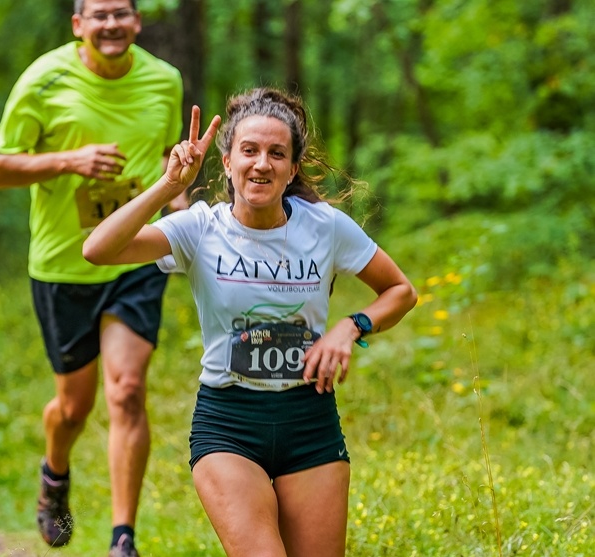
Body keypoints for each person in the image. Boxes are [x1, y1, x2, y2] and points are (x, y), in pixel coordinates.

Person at [83, 88, 418, 557]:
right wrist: (167, 186)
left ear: (292, 169)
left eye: (276, 153)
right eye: (250, 151)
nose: (262, 163)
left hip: (310, 423)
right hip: (228, 424)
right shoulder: (199, 228)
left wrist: (351, 325)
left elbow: (401, 291)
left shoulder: (325, 227)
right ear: (227, 162)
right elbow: (98, 250)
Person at [0, 1, 184, 555]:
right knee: (74, 406)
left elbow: (170, 161)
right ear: (78, 26)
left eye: (121, 12)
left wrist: (187, 224)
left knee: (127, 390)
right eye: (98, 15)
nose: (111, 24)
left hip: (134, 259)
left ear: (137, 21)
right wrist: (68, 161)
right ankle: (55, 474)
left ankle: (123, 538)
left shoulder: (164, 80)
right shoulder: (44, 79)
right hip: (63, 264)